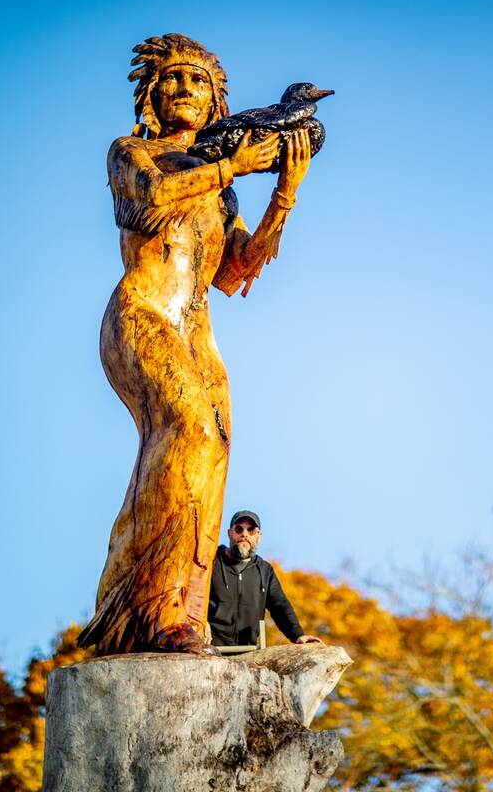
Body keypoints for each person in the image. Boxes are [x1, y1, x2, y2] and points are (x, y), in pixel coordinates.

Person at [77, 34, 316, 656]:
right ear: (152, 96)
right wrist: (233, 165)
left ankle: (182, 612)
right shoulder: (134, 153)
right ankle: (153, 612)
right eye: (173, 80)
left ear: (216, 104)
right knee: (189, 434)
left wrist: (284, 191)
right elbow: (151, 201)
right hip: (141, 316)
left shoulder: (219, 189)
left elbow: (237, 271)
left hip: (197, 335)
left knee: (211, 456)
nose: (185, 89)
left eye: (198, 81)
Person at [209, 510, 323, 647]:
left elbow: (280, 606)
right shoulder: (211, 562)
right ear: (229, 533)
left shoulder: (265, 571)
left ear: (259, 536)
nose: (244, 534)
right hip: (210, 649)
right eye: (239, 529)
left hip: (247, 652)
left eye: (251, 530)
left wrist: (298, 635)